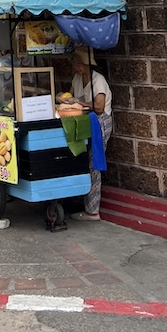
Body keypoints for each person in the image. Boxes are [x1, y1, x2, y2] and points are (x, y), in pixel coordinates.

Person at [70, 45, 113, 222]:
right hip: (84, 121)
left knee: (94, 163)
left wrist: (81, 103)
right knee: (82, 160)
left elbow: (100, 107)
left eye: (78, 64)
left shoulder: (98, 81)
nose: (76, 67)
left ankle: (93, 210)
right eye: (74, 64)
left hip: (99, 123)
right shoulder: (77, 79)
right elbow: (70, 96)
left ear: (87, 64)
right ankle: (82, 200)